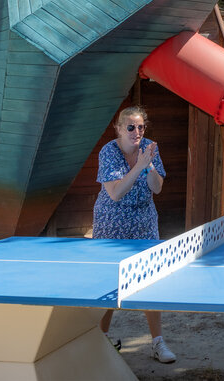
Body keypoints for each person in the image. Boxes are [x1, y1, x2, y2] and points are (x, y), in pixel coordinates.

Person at [92, 106, 177, 364]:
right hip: (112, 222)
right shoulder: (109, 152)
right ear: (118, 129)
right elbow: (116, 193)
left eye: (140, 127)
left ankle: (157, 342)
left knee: (151, 282)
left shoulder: (150, 147)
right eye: (130, 127)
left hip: (144, 222)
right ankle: (101, 338)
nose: (136, 132)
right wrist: (138, 166)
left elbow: (157, 188)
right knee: (109, 285)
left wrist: (149, 166)